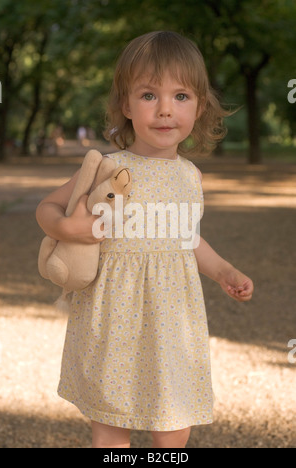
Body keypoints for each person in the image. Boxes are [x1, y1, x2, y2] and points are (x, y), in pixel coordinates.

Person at [36, 31, 253, 449]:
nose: (166, 110)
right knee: (112, 419)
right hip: (112, 314)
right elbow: (47, 206)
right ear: (125, 104)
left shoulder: (190, 176)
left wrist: (224, 270)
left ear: (199, 107)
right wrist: (65, 228)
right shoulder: (108, 166)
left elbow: (187, 238)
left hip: (173, 319)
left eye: (182, 96)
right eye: (150, 95)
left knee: (174, 423)